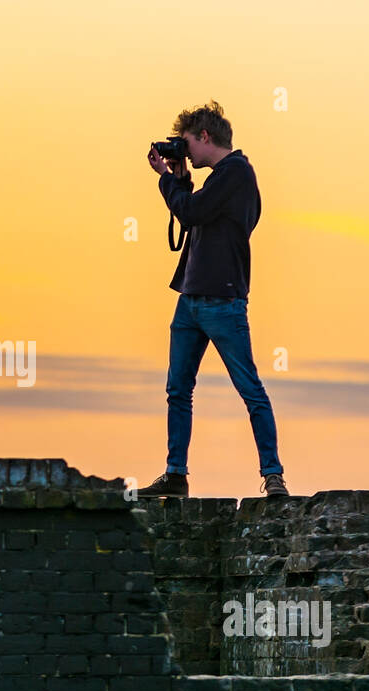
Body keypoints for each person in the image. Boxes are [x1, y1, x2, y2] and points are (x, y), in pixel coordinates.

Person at [138, 100, 288, 498]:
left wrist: (165, 180)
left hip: (222, 300)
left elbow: (192, 211)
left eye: (186, 143)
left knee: (249, 388)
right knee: (178, 389)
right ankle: (176, 474)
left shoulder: (237, 173)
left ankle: (273, 474)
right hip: (191, 297)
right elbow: (194, 213)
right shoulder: (220, 178)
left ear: (205, 137)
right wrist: (180, 180)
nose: (183, 151)